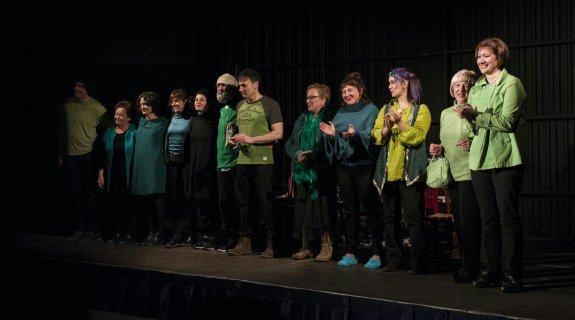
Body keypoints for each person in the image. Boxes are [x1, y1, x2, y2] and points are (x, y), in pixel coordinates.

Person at [457, 38, 527, 293]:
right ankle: (493, 269)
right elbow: (474, 128)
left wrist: (475, 115)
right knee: (488, 219)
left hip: (506, 157)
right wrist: (467, 119)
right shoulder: (476, 89)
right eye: (478, 57)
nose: (481, 61)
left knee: (507, 217)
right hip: (479, 160)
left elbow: (507, 122)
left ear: (499, 56)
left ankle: (513, 273)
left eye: (486, 55)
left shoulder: (512, 84)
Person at [372, 67, 431, 274]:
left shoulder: (420, 110)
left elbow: (417, 137)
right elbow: (376, 135)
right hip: (389, 172)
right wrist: (388, 126)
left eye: (392, 83)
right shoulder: (385, 108)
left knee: (413, 218)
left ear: (404, 84)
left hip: (410, 172)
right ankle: (394, 259)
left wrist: (401, 123)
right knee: (390, 218)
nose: (389, 87)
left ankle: (418, 262)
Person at [319, 72, 379, 268]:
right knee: (348, 210)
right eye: (343, 91)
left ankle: (377, 252)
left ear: (360, 91)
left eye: (350, 90)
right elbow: (336, 138)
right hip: (345, 167)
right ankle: (351, 251)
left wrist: (356, 135)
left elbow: (373, 136)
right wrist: (331, 135)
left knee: (370, 209)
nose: (346, 94)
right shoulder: (341, 112)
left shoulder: (371, 110)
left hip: (364, 166)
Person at [429, 70, 481, 282]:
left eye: (466, 84)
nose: (461, 89)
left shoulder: (476, 110)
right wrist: (437, 148)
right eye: (457, 85)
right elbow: (447, 140)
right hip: (451, 173)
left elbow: (485, 136)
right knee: (459, 223)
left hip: (470, 171)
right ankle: (465, 265)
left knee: (470, 222)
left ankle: (472, 267)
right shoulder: (445, 113)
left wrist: (473, 143)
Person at [228, 68, 284, 258]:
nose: (241, 89)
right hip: (243, 160)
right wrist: (234, 139)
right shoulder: (240, 106)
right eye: (239, 85)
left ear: (255, 84)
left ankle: (271, 243)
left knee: (265, 202)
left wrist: (251, 139)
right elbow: (238, 130)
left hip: (262, 160)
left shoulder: (270, 104)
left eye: (244, 85)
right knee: (243, 203)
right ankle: (246, 241)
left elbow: (278, 133)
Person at [285, 83, 336, 262]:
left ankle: (325, 245)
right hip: (302, 170)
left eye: (312, 97)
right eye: (307, 97)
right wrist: (298, 153)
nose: (308, 100)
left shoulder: (329, 117)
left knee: (321, 208)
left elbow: (326, 144)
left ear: (323, 100)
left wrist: (311, 155)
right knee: (303, 207)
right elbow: (290, 143)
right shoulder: (302, 118)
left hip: (320, 170)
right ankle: (306, 246)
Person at [59, 78, 107, 241]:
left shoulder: (97, 107)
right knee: (75, 193)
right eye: (75, 86)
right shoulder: (68, 105)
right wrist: (61, 152)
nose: (76, 89)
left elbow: (108, 130)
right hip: (71, 155)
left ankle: (93, 229)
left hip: (88, 155)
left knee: (90, 194)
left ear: (87, 88)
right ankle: (80, 227)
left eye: (80, 86)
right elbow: (63, 130)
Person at [131, 91, 169, 246]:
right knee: (143, 203)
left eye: (146, 103)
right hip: (140, 166)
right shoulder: (140, 122)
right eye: (141, 104)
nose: (143, 107)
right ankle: (149, 232)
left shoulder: (163, 123)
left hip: (155, 166)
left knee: (156, 200)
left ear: (153, 104)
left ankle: (159, 233)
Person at [97, 101, 137, 245]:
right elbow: (103, 154)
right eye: (116, 114)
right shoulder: (108, 133)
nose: (117, 117)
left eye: (121, 115)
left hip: (129, 175)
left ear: (129, 118)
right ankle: (118, 232)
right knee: (115, 205)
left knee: (128, 205)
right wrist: (101, 174)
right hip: (112, 176)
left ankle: (129, 233)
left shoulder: (134, 131)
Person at [185, 89, 220, 250]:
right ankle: (198, 234)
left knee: (208, 201)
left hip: (208, 166)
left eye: (202, 100)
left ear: (208, 104)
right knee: (195, 201)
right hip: (194, 165)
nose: (198, 102)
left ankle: (212, 234)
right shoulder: (191, 122)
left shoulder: (213, 123)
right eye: (196, 99)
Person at [214, 73, 241, 251]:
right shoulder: (222, 110)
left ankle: (237, 236)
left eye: (224, 86)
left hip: (235, 163)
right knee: (224, 202)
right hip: (221, 163)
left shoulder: (238, 108)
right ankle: (227, 234)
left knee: (234, 202)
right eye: (218, 86)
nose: (221, 89)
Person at [164, 89, 193, 248]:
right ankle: (176, 233)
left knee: (185, 198)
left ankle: (186, 232)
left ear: (184, 102)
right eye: (173, 101)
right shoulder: (171, 119)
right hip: (172, 164)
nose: (174, 103)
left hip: (185, 164)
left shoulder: (190, 119)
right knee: (174, 198)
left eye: (178, 100)